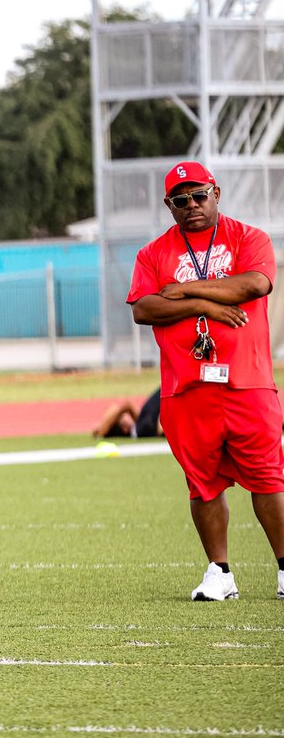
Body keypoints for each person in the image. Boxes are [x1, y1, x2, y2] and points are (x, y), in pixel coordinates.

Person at [127, 160, 284, 602]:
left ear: (217, 192)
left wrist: (182, 290)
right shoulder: (153, 253)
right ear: (169, 205)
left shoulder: (248, 237)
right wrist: (209, 307)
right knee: (202, 483)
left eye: (199, 195)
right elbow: (144, 309)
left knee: (269, 478)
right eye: (181, 200)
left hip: (248, 382)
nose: (191, 205)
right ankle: (220, 572)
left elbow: (254, 284)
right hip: (186, 387)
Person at [92, 388, 162, 440]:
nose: (126, 416)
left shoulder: (140, 423)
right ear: (124, 427)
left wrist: (99, 429)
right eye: (123, 417)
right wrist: (101, 429)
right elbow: (124, 406)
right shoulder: (141, 427)